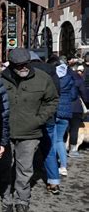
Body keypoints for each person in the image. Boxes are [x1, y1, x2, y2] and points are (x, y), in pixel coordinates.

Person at [0, 48, 58, 212]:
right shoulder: (0, 79)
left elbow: (52, 100)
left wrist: (39, 119)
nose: (23, 67)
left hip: (30, 132)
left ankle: (22, 202)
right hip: (5, 132)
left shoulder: (43, 78)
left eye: (26, 64)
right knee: (4, 168)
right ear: (11, 65)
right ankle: (6, 200)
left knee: (25, 169)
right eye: (19, 65)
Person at [43, 56, 77, 193]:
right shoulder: (70, 78)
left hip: (53, 111)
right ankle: (63, 166)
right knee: (60, 141)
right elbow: (74, 95)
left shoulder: (51, 77)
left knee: (51, 140)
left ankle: (51, 166)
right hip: (66, 113)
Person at [66, 65, 87, 161]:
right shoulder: (78, 79)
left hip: (63, 107)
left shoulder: (61, 79)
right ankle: (73, 150)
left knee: (64, 129)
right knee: (74, 129)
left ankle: (62, 147)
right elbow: (84, 95)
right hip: (76, 108)